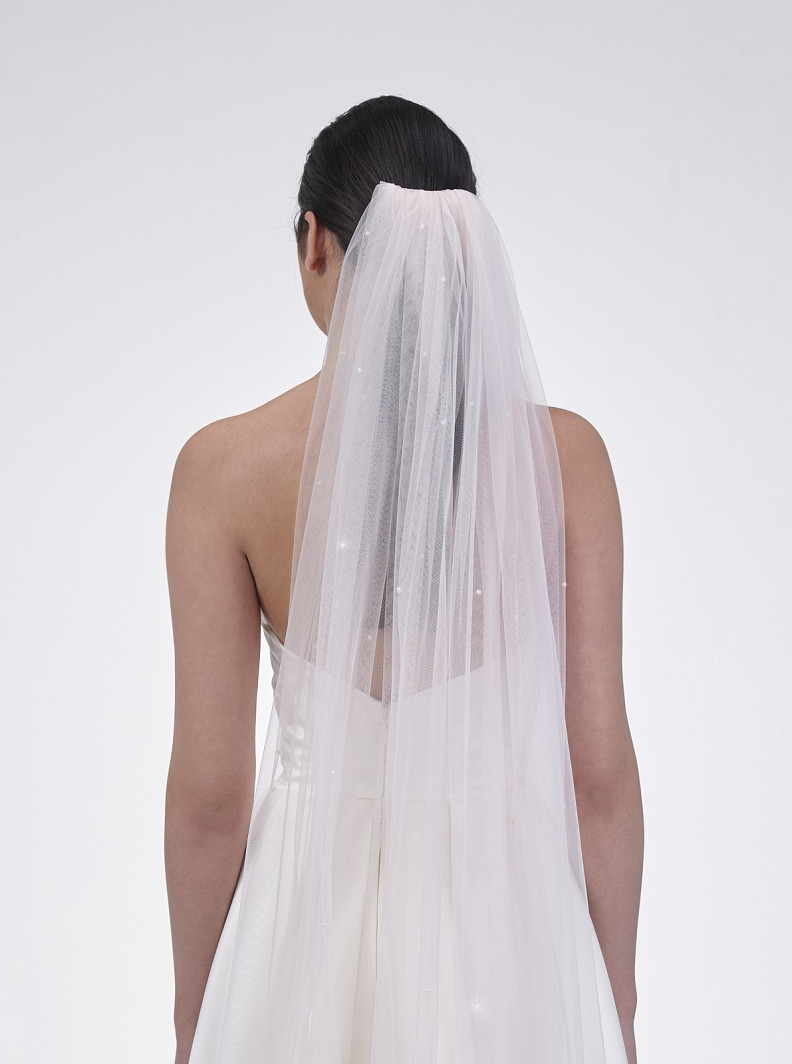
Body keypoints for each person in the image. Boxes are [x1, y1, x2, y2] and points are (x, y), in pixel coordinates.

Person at [165, 95, 643, 1064]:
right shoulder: (565, 461)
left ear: (315, 241)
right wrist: (617, 1000)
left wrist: (193, 1016)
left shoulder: (225, 470)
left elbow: (211, 797)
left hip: (302, 938)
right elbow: (598, 776)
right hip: (503, 937)